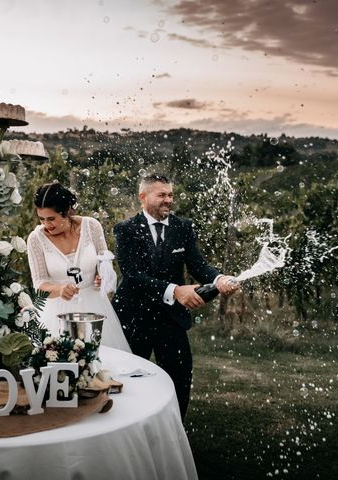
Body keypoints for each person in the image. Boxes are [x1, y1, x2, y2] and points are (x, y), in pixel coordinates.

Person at [113, 174, 238, 419]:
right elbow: (132, 275)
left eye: (170, 194)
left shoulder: (183, 227)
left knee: (179, 379)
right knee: (130, 381)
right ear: (143, 197)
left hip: (171, 319)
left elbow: (198, 265)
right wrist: (175, 290)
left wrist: (219, 279)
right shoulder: (125, 229)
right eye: (161, 195)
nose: (168, 200)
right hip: (134, 317)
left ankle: (174, 430)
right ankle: (131, 430)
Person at [27, 182, 131, 352]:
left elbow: (105, 263)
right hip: (57, 314)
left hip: (95, 307)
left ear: (67, 211)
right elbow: (39, 284)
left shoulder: (92, 226)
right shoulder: (35, 239)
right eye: (42, 219)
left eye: (52, 218)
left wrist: (101, 276)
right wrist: (59, 289)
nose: (47, 224)